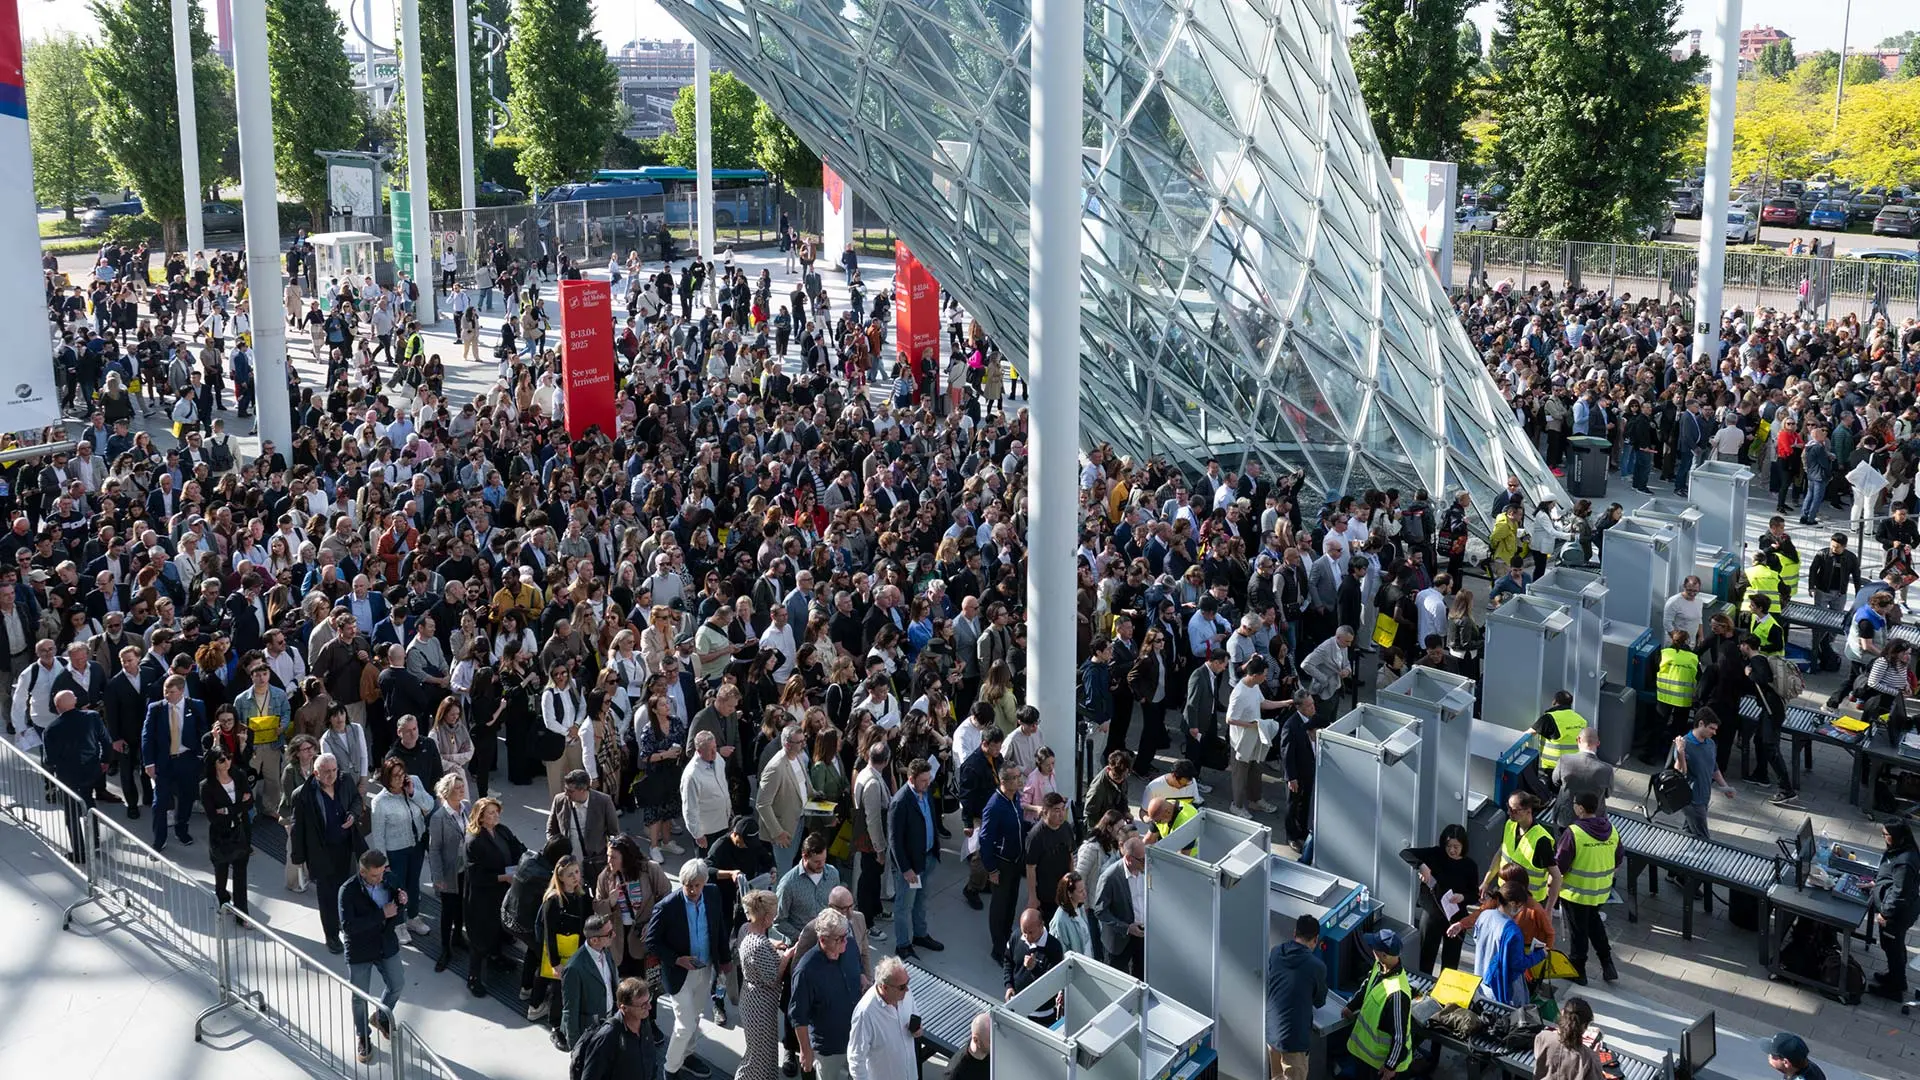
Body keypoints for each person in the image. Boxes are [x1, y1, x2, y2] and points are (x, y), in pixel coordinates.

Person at [645, 858, 731, 1080]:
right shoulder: (666, 906)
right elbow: (651, 942)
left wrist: (724, 959)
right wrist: (676, 959)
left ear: (704, 883)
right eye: (687, 886)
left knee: (696, 1016)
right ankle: (670, 1068)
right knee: (684, 1025)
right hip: (678, 974)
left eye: (697, 885)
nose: (692, 890)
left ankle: (688, 1055)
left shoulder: (712, 894)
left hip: (704, 968)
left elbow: (719, 927)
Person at [290, 752, 365, 953]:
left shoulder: (346, 781)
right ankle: (331, 935)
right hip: (321, 852)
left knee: (347, 889)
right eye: (326, 772)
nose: (331, 775)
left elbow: (357, 800)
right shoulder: (303, 795)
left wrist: (353, 814)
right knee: (327, 896)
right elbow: (298, 829)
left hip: (346, 848)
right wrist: (298, 858)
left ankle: (347, 926)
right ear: (315, 773)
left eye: (334, 770)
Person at [339, 849, 407, 1064]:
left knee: (397, 984)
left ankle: (381, 1017)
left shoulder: (388, 878)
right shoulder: (348, 891)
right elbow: (348, 927)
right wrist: (381, 914)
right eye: (375, 875)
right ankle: (363, 1036)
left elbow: (396, 907)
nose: (380, 878)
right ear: (363, 872)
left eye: (382, 873)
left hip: (385, 942)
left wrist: (402, 900)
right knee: (359, 997)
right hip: (360, 949)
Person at [789, 908, 865, 1080]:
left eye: (846, 935)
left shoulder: (850, 946)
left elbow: (858, 968)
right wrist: (805, 1051)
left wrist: (863, 980)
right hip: (829, 1048)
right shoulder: (806, 971)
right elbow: (798, 1016)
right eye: (840, 938)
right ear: (823, 940)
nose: (846, 941)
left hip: (857, 1036)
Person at [462, 796, 526, 996]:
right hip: (482, 896)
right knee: (481, 935)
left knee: (499, 927)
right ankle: (474, 977)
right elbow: (476, 875)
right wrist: (502, 877)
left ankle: (497, 956)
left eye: (496, 811)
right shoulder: (474, 841)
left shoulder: (502, 831)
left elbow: (518, 849)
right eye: (490, 812)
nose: (495, 815)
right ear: (480, 817)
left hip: (503, 892)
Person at [1556, 792, 1620, 984]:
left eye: (1575, 803)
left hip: (1576, 892)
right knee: (1594, 924)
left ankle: (1578, 970)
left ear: (1581, 808)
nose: (1574, 806)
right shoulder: (1611, 830)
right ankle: (1607, 963)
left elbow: (1561, 864)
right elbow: (1618, 858)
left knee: (1579, 931)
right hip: (1600, 892)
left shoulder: (1574, 833)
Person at [367, 755, 435, 940]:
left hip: (416, 845)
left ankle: (413, 917)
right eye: (394, 775)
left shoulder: (414, 782)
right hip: (395, 850)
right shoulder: (380, 802)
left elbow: (429, 805)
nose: (399, 778)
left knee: (414, 884)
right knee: (398, 888)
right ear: (387, 778)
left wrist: (412, 792)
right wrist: (384, 862)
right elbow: (378, 834)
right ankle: (398, 924)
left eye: (401, 774)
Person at [1398, 824, 1478, 975]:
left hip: (1455, 917)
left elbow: (1474, 895)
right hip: (1432, 914)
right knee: (1426, 957)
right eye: (1448, 846)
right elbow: (1405, 853)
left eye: (1456, 846)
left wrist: (1462, 897)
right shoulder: (1435, 854)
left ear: (1463, 846)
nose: (1452, 850)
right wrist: (1421, 866)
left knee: (1451, 962)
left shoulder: (1469, 866)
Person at [41, 689, 109, 862]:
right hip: (90, 771)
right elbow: (105, 741)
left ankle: (79, 852)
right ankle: (94, 843)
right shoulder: (92, 717)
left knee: (71, 814)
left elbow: (49, 759)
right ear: (75, 701)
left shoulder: (51, 730)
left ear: (57, 707)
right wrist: (105, 761)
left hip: (68, 777)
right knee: (89, 804)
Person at [886, 756, 944, 959]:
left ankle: (920, 935)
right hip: (911, 866)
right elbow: (894, 841)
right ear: (911, 779)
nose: (927, 784)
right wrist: (906, 869)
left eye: (928, 780)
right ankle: (902, 945)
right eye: (923, 781)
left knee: (921, 900)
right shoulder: (900, 802)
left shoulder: (925, 793)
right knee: (904, 905)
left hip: (927, 859)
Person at [141, 673, 206, 851]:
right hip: (164, 762)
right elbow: (146, 737)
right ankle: (159, 839)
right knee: (159, 803)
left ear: (181, 691)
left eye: (171, 692)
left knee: (186, 798)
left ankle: (181, 829)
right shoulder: (155, 708)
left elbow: (203, 731)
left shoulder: (196, 706)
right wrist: (149, 763)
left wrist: (200, 756)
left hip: (187, 760)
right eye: (165, 691)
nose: (167, 695)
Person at [596, 833, 674, 979]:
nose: (609, 861)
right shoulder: (605, 877)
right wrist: (610, 902)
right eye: (608, 856)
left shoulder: (650, 869)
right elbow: (598, 908)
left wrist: (653, 922)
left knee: (646, 984)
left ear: (625, 857)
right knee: (624, 984)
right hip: (618, 939)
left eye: (613, 857)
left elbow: (667, 896)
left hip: (644, 936)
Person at [734, 889, 794, 1080]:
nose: (775, 917)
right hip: (759, 1005)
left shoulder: (746, 928)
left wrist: (773, 944)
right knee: (757, 1057)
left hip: (754, 1000)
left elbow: (759, 943)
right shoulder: (758, 945)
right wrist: (787, 956)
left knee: (764, 1053)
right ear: (766, 916)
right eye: (774, 913)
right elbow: (773, 978)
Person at [532, 854, 594, 1036]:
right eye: (570, 874)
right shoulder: (553, 900)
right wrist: (555, 962)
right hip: (561, 952)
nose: (576, 877)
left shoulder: (581, 894)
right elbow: (549, 934)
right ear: (560, 877)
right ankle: (556, 1026)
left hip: (577, 950)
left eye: (576, 872)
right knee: (558, 991)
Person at [1341, 929, 1411, 1079]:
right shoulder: (1380, 966)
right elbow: (1367, 986)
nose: (1371, 949)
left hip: (1380, 1066)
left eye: (1374, 948)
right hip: (1366, 1059)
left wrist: (1390, 1066)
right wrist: (1351, 1006)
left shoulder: (1397, 994)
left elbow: (1399, 1035)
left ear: (1384, 955)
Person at [1265, 913, 1327, 1080]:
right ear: (1315, 939)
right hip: (1294, 1040)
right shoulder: (1316, 966)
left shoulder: (1276, 952)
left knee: (1276, 1077)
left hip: (1272, 1033)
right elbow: (1320, 1001)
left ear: (1294, 933)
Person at [572, 978, 666, 1080]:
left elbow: (650, 1059)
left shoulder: (644, 1021)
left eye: (649, 1000)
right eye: (643, 1005)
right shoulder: (607, 1036)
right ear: (624, 1008)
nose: (649, 1007)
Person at [199, 745, 253, 913]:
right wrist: (239, 806)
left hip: (240, 831)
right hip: (220, 835)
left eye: (229, 757)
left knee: (240, 876)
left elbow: (250, 803)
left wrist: (228, 810)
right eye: (222, 760)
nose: (227, 762)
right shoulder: (207, 786)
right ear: (214, 763)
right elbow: (213, 817)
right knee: (221, 874)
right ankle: (222, 901)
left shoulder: (239, 775)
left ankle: (241, 913)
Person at [1869, 821, 1920, 1001]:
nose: (1884, 838)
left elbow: (1899, 893)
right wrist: (1877, 886)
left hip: (1896, 915)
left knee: (1893, 947)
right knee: (1893, 946)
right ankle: (1895, 977)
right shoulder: (1900, 850)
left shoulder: (1905, 861)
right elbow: (1892, 879)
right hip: (1899, 909)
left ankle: (1896, 987)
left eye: (1886, 835)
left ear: (1898, 836)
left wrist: (1885, 914)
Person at [847, 955, 920, 1080]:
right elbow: (856, 1058)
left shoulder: (905, 994)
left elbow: (915, 1015)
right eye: (902, 987)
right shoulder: (866, 1013)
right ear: (884, 987)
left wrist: (917, 1029)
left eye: (908, 982)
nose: (907, 989)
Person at [550, 767, 621, 886]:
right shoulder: (560, 800)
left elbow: (614, 833)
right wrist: (555, 848)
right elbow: (551, 830)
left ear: (583, 789)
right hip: (568, 862)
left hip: (595, 861)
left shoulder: (603, 802)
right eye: (565, 789)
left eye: (570, 791)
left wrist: (611, 857)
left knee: (596, 893)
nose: (566, 794)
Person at [1488, 791, 1559, 908]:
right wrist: (1486, 881)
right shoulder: (1510, 825)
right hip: (1505, 894)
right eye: (1508, 807)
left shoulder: (1541, 841)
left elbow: (1556, 877)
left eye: (1514, 810)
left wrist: (1549, 909)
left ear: (1528, 811)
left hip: (1529, 903)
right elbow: (1501, 852)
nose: (1509, 812)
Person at [560, 914, 620, 1052]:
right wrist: (576, 1047)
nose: (614, 935)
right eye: (610, 933)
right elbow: (570, 1010)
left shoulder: (605, 951)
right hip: (589, 1032)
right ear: (594, 940)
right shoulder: (574, 968)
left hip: (609, 1022)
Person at [1094, 835, 1147, 977]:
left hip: (1142, 934)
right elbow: (1100, 911)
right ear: (1129, 859)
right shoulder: (1110, 877)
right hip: (1119, 939)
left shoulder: (1146, 871)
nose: (1146, 862)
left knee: (1141, 975)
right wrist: (1127, 928)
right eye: (1142, 860)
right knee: (1115, 977)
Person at [1003, 906, 1065, 1022]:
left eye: (1031, 932)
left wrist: (1034, 968)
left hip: (1043, 1015)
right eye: (1024, 932)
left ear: (1041, 925)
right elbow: (1008, 961)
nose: (1027, 937)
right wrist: (1009, 985)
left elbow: (1052, 983)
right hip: (1017, 1007)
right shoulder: (1016, 937)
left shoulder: (1054, 947)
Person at [1549, 727, 1614, 827]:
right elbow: (1607, 794)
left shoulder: (1565, 761)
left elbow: (1555, 782)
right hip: (1594, 822)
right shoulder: (1606, 770)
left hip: (1565, 820)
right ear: (1598, 743)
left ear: (1578, 740)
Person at [1533, 997, 1604, 1080]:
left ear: (1562, 1013)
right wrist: (1596, 1059)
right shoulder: (1589, 1058)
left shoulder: (1543, 1037)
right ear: (1585, 1027)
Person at [1530, 689, 1585, 777]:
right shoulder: (1580, 719)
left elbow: (1528, 734)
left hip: (1553, 767)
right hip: (1574, 765)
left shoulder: (1549, 718)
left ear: (1554, 701)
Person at [942, 1013, 991, 1080]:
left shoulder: (991, 1051)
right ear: (976, 1040)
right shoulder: (956, 1074)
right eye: (990, 1041)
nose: (997, 1044)